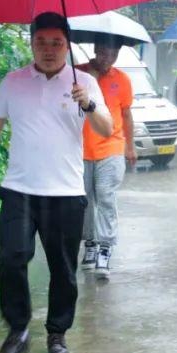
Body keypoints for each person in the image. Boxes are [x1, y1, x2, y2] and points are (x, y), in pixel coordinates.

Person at [0, 12, 112, 353]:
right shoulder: (13, 82)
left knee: (63, 268)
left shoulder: (85, 83)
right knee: (11, 257)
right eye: (41, 43)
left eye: (56, 43)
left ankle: (57, 333)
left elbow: (107, 129)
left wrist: (88, 104)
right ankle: (17, 330)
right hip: (19, 189)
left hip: (65, 192)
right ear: (31, 43)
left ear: (67, 45)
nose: (48, 50)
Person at [76, 34, 136, 279]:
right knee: (85, 199)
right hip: (80, 148)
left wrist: (130, 147)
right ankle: (89, 243)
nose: (107, 58)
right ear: (95, 48)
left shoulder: (122, 79)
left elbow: (127, 115)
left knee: (105, 196)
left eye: (113, 54)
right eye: (103, 52)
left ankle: (105, 247)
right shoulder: (77, 74)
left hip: (111, 147)